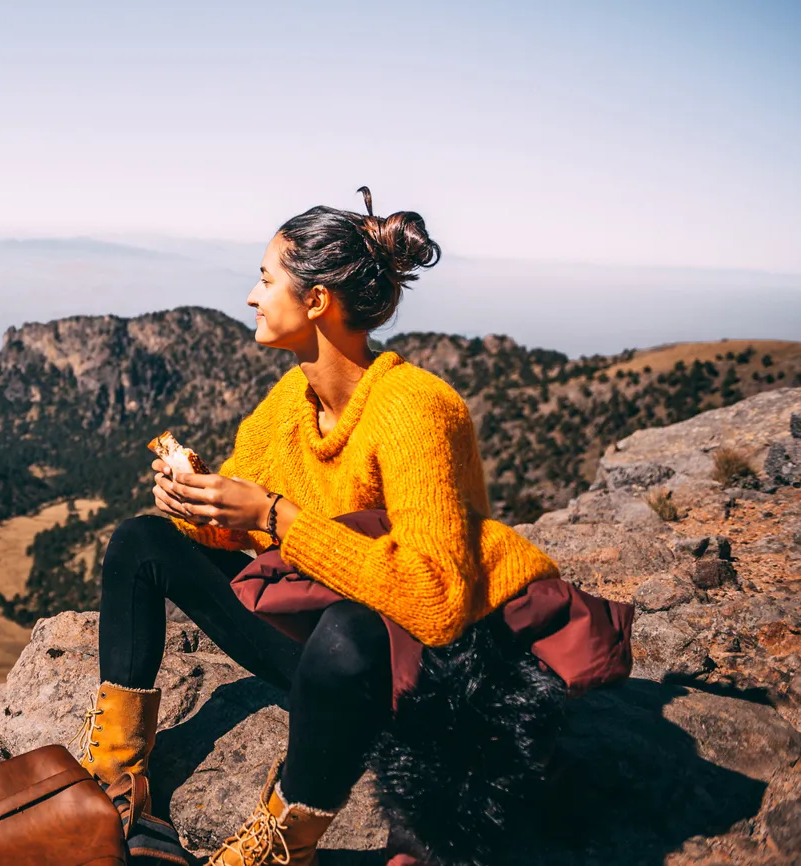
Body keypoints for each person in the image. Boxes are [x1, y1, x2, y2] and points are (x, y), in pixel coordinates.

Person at [67, 188, 561, 866]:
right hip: (319, 651)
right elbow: (235, 532)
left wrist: (274, 516)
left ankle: (281, 845)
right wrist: (202, 503)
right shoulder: (289, 404)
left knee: (348, 629)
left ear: (318, 300)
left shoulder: (416, 409)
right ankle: (114, 785)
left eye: (266, 279)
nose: (251, 296)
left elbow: (438, 604)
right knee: (139, 542)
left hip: (417, 672)